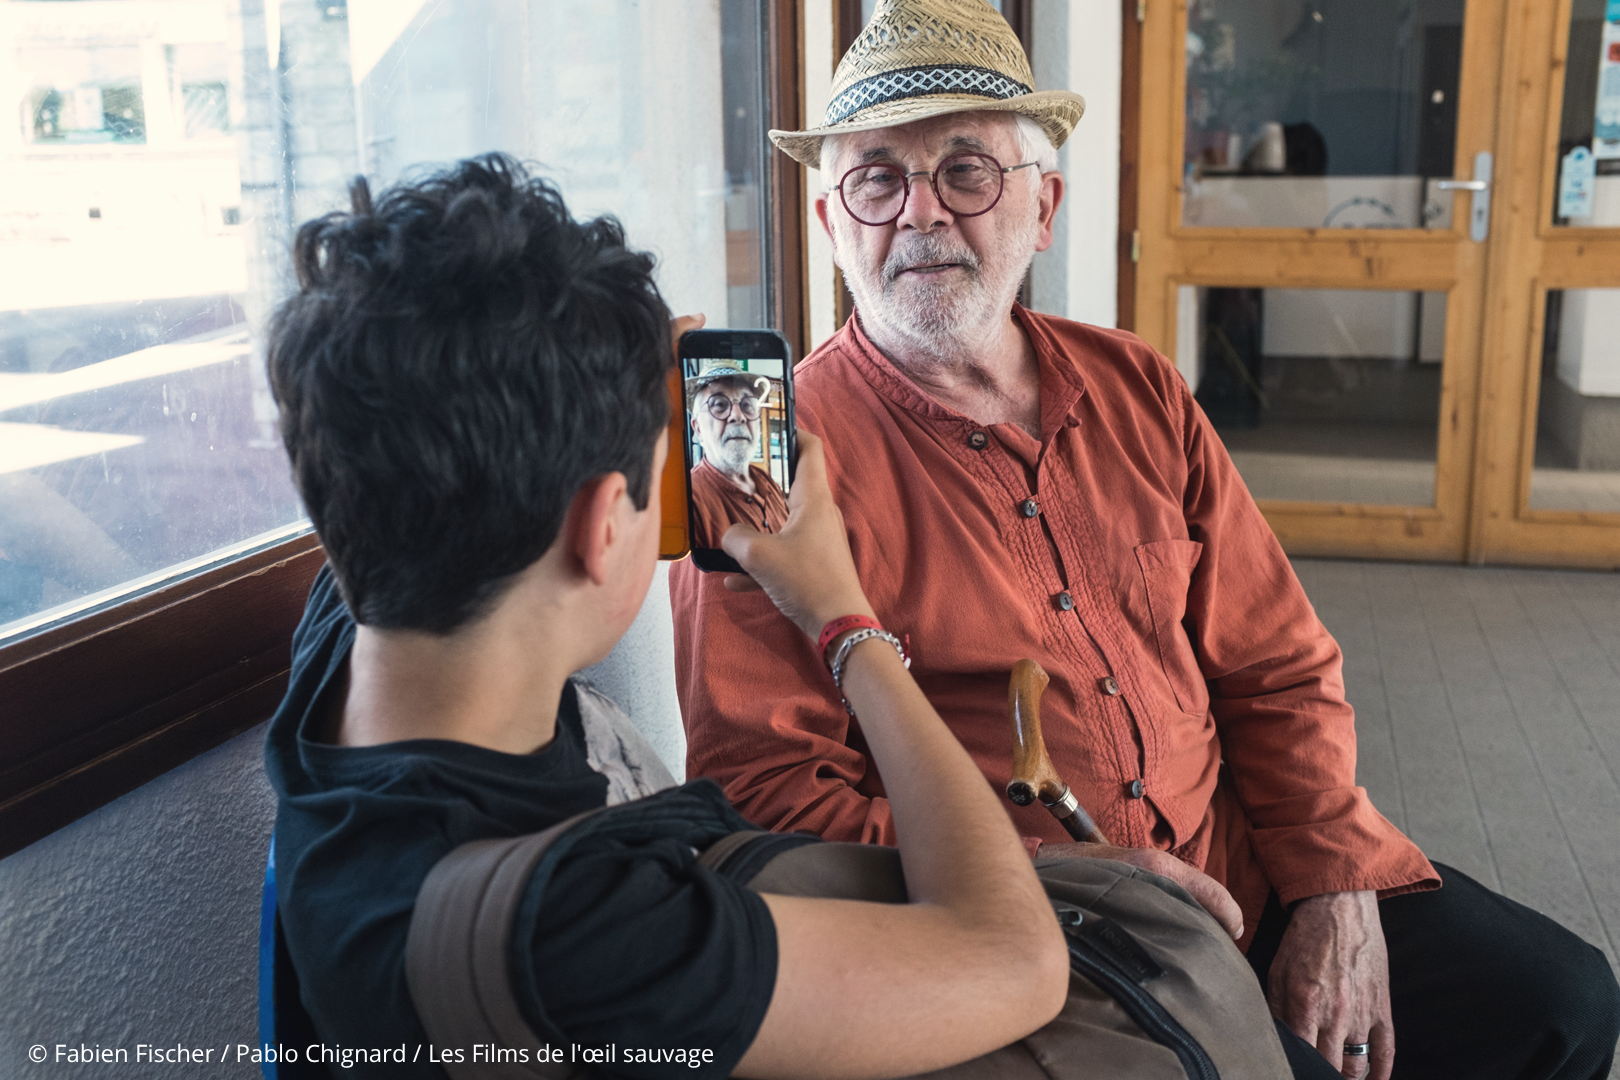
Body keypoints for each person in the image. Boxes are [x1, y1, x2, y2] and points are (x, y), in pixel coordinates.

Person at [669, 2, 1620, 1079]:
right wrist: (1058, 876)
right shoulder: (768, 474)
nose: (921, 215)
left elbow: (1279, 666)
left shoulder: (1137, 385)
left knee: (1561, 1002)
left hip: (1240, 871)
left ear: (1045, 208)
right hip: (1046, 935)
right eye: (877, 180)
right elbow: (773, 802)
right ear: (832, 222)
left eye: (967, 170)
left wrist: (1330, 884)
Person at [261, 153, 1070, 1079]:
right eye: (659, 472)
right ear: (605, 528)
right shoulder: (589, 937)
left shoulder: (357, 626)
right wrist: (843, 618)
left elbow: (427, 388)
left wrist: (624, 387)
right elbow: (1016, 958)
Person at [686, 361, 788, 549]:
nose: (738, 416)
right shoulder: (689, 500)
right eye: (719, 404)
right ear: (698, 428)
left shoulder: (768, 483)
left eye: (747, 405)